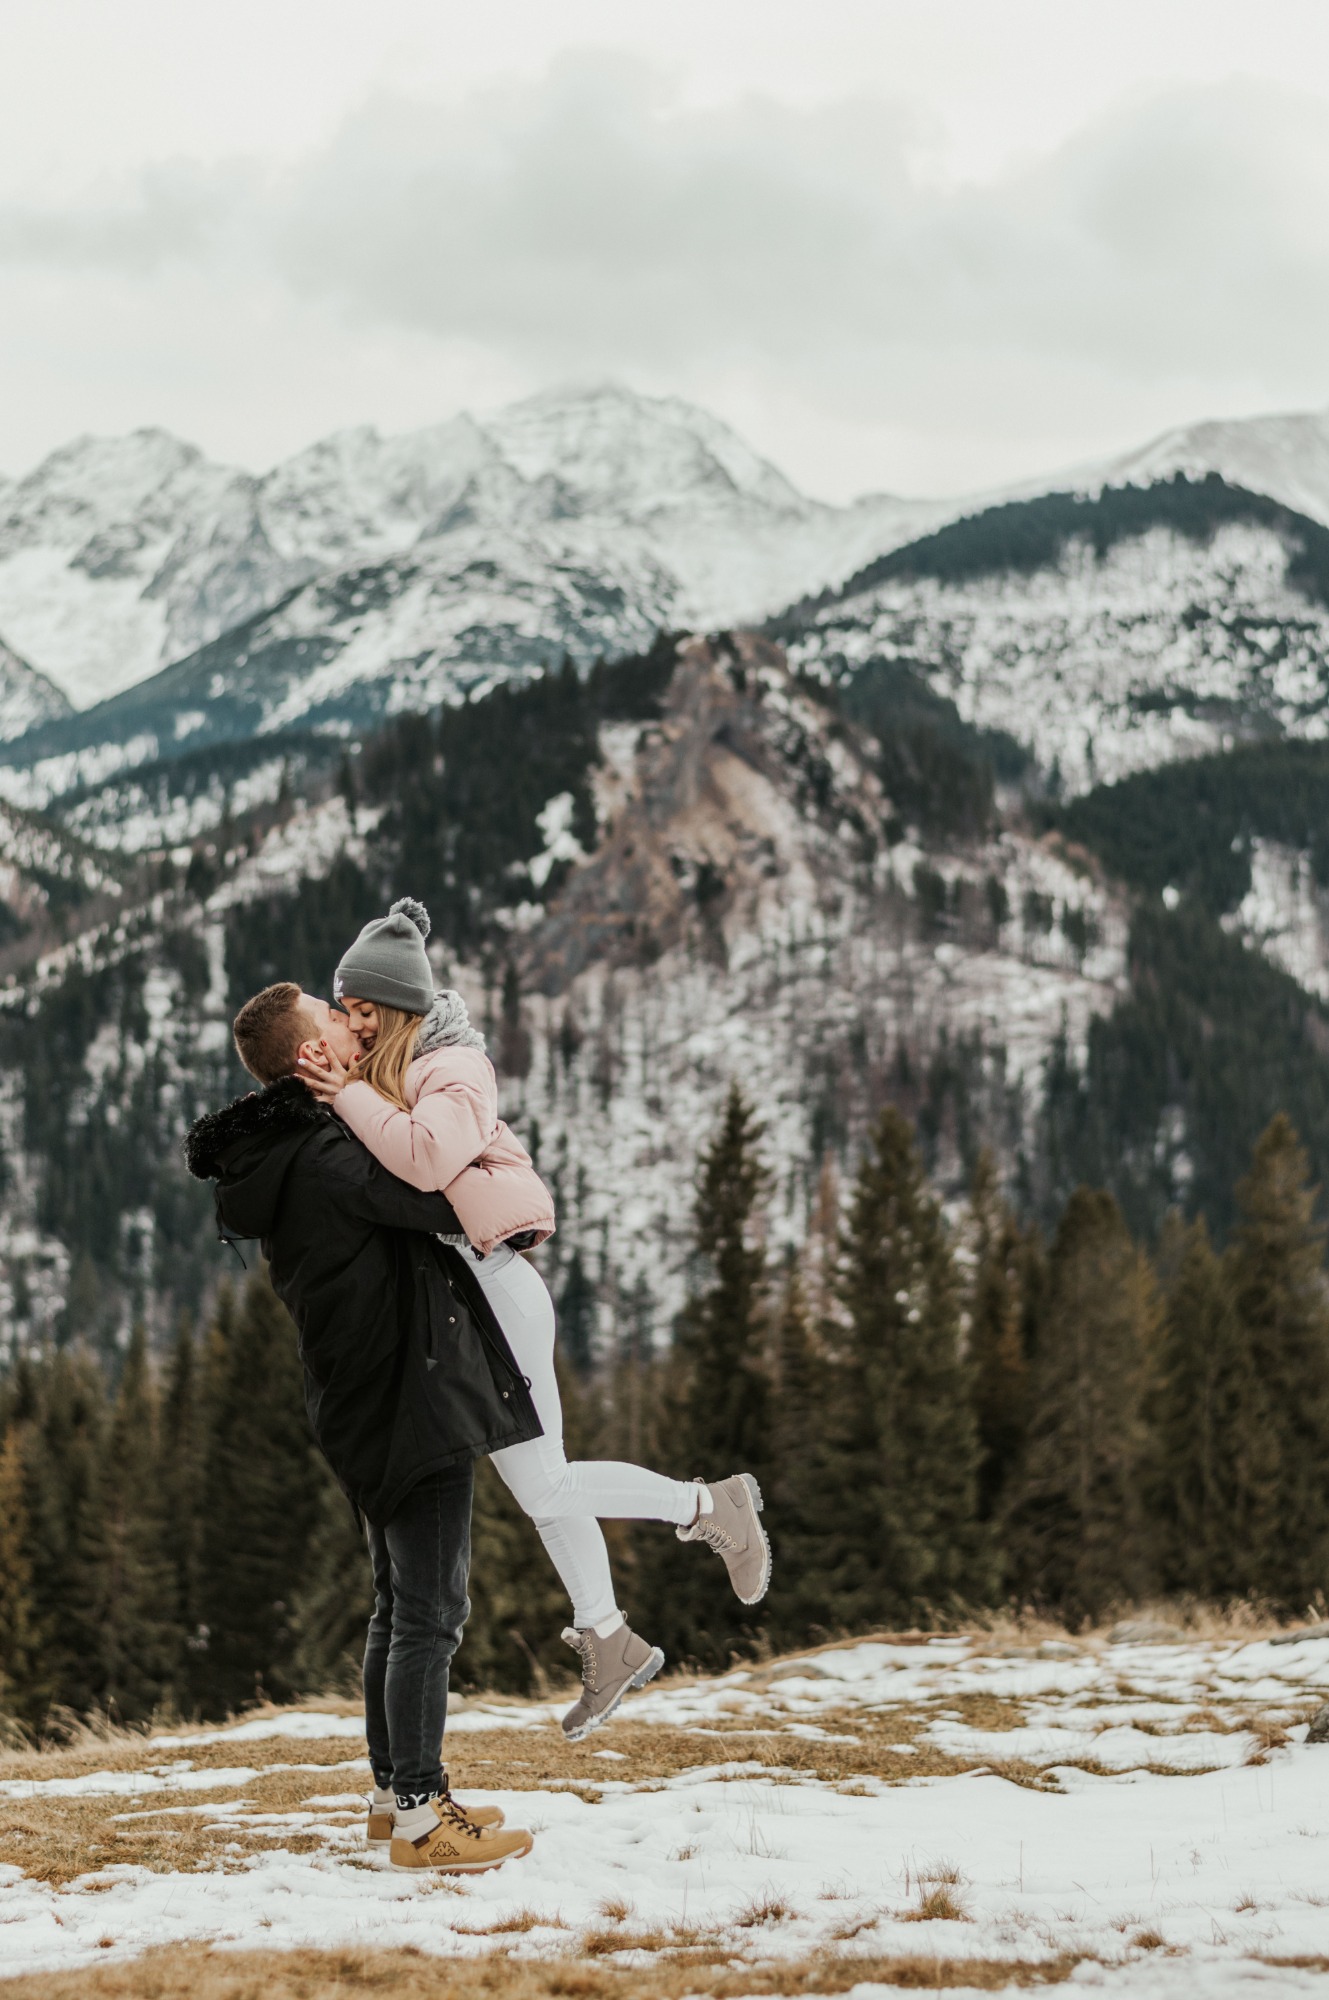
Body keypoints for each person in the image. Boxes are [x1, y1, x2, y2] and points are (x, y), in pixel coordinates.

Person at [298, 897, 773, 1741]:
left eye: (363, 1010)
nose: (354, 1027)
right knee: (544, 1487)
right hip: (471, 1299)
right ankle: (608, 1635)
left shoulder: (455, 1069)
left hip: (498, 1289)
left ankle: (711, 1505)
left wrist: (344, 1098)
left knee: (547, 1484)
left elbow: (424, 1157)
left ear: (400, 1005)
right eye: (348, 1012)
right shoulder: (394, 1073)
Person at [184, 980, 537, 1874]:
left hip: (362, 1397)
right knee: (431, 1610)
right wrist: (472, 1125)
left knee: (397, 1601)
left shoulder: (291, 1147)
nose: (350, 1029)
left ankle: (394, 1794)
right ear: (309, 1057)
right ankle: (422, 1814)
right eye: (332, 1023)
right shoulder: (333, 1154)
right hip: (403, 1396)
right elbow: (442, 1199)